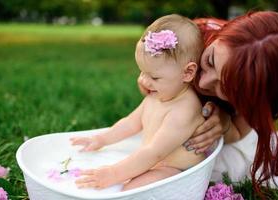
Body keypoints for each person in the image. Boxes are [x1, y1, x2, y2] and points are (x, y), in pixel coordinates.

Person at [70, 14, 208, 191]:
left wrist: (113, 173)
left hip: (178, 171)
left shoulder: (184, 110)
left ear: (187, 72)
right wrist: (101, 139)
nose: (144, 81)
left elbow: (154, 152)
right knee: (116, 181)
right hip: (153, 162)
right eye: (142, 71)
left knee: (130, 190)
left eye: (154, 77)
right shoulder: (157, 95)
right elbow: (131, 122)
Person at [174, 11, 278, 196]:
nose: (202, 83)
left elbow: (239, 132)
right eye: (210, 60)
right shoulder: (189, 35)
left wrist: (225, 124)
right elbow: (153, 81)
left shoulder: (260, 95)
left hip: (228, 138)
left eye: (225, 89)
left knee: (229, 165)